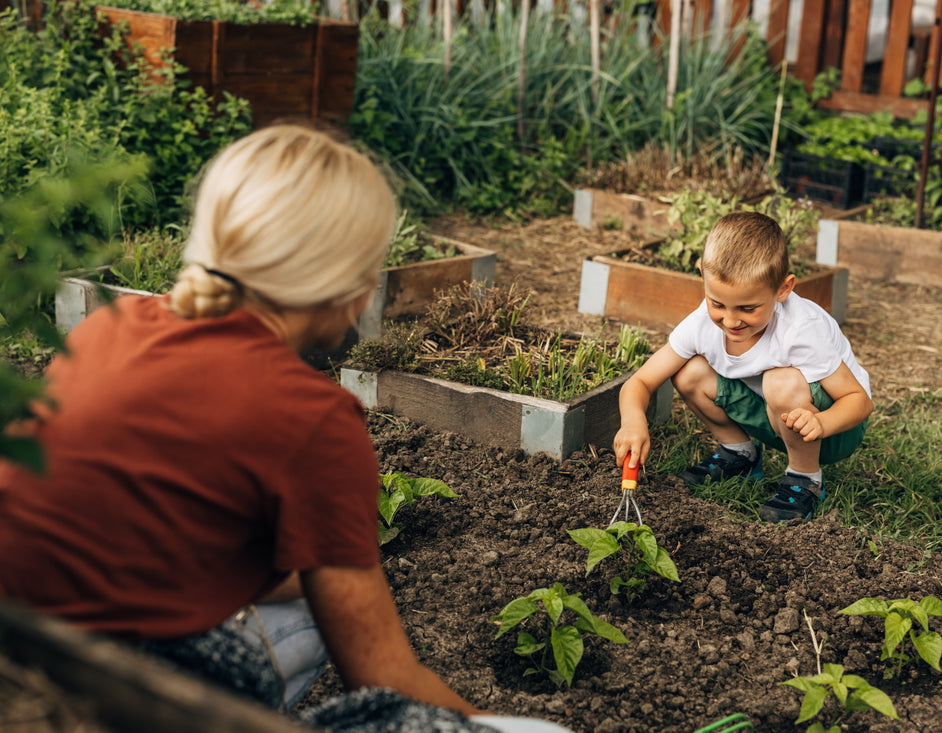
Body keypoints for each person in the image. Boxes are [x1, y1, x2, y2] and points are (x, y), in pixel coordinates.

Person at [0, 124, 570, 733]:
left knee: (299, 599)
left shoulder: (105, 326)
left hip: (27, 661)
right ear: (346, 287)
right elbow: (385, 682)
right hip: (127, 697)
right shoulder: (312, 418)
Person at [614, 211, 873, 522]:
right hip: (774, 413)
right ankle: (740, 455)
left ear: (783, 289)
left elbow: (859, 402)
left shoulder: (801, 329)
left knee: (781, 381)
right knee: (687, 372)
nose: (731, 320)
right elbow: (640, 382)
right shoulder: (701, 325)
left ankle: (805, 478)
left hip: (833, 428)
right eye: (717, 304)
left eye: (748, 308)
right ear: (702, 274)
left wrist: (823, 423)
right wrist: (632, 421)